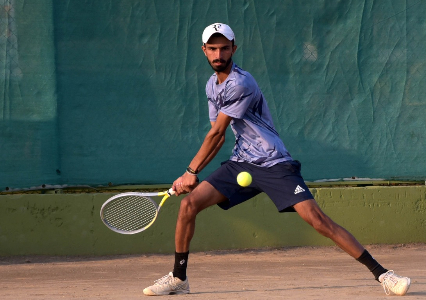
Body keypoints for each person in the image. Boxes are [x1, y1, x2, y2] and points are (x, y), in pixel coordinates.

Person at [143, 23, 411, 297]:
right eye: (212, 48)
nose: (218, 54)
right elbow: (219, 138)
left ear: (234, 49)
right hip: (242, 162)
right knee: (189, 205)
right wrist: (194, 175)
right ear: (204, 51)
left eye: (224, 48)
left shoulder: (240, 82)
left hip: (274, 162)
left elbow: (216, 132)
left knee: (318, 221)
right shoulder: (212, 86)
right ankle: (179, 278)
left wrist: (190, 171)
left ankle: (384, 275)